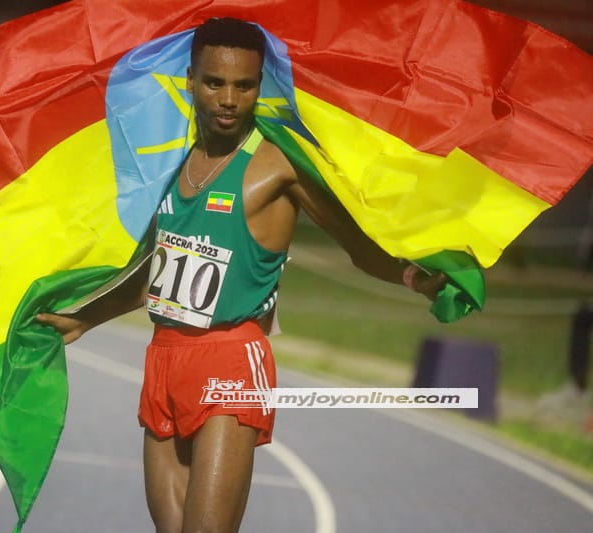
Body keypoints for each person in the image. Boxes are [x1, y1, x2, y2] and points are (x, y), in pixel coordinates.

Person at [37, 17, 445, 533]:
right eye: (214, 83)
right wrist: (85, 319)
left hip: (231, 360)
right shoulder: (172, 163)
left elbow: (358, 248)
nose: (229, 98)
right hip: (164, 359)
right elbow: (157, 278)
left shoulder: (277, 164)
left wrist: (415, 277)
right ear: (190, 81)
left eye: (244, 85)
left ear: (259, 87)